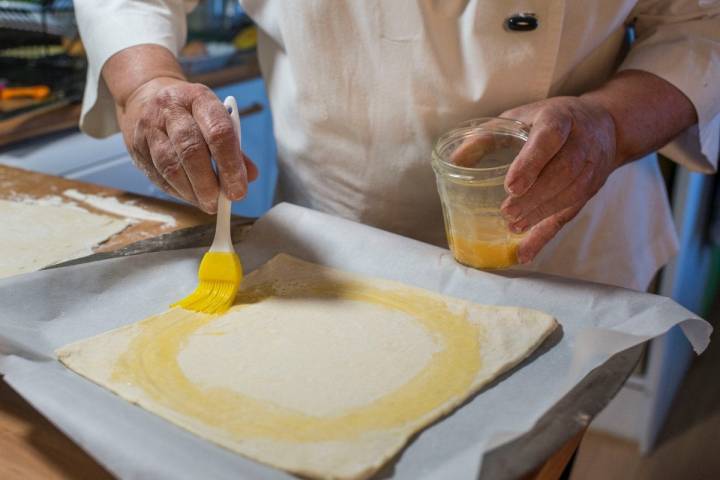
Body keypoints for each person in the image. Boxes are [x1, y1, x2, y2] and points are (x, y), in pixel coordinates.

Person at [74, 1, 719, 291]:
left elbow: (701, 23)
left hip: (565, 258)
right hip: (330, 251)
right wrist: (146, 84)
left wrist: (606, 124)